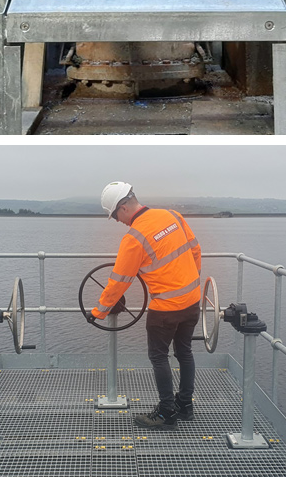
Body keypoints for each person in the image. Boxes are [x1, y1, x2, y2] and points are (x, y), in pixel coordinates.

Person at [90, 182, 202, 429]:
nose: (118, 221)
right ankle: (185, 405)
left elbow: (119, 280)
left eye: (115, 216)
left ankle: (165, 414)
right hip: (193, 301)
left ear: (123, 207)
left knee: (159, 357)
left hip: (165, 310)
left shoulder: (134, 237)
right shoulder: (173, 215)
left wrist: (99, 311)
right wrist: (190, 285)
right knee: (184, 352)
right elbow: (195, 250)